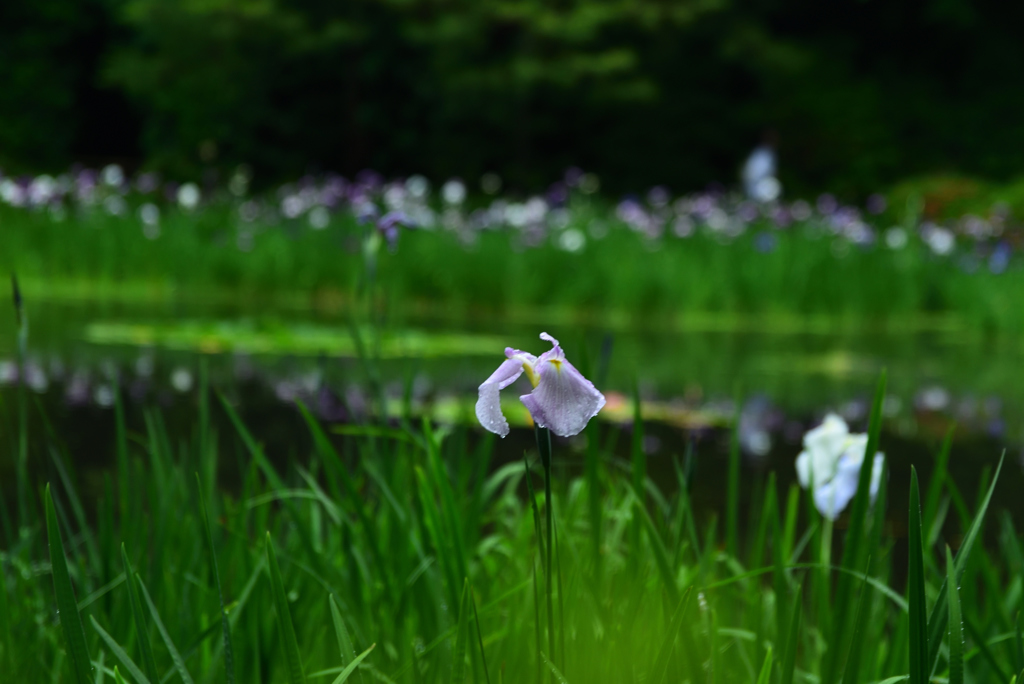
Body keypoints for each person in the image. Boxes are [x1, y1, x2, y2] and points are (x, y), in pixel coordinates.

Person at [742, 132, 781, 202]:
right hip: (758, 186)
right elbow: (755, 173)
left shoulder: (766, 152)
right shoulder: (763, 153)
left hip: (758, 185)